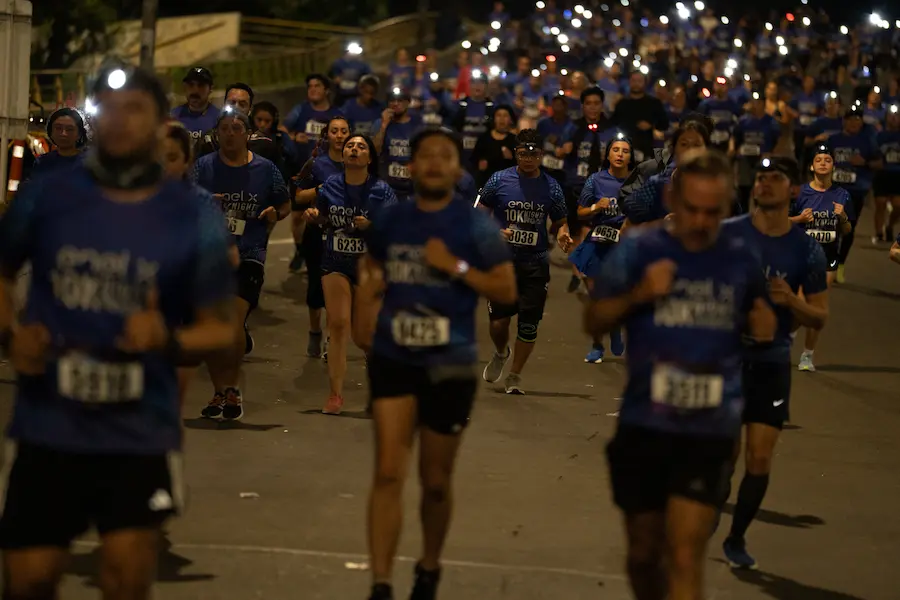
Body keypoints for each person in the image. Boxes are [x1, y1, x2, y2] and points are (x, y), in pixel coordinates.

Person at [0, 66, 235, 600]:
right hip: (48, 421)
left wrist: (167, 340)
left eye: (137, 110)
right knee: (28, 580)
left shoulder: (190, 216)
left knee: (124, 581)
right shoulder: (50, 195)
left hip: (137, 427)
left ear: (158, 126)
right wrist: (11, 335)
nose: (122, 121)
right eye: (111, 108)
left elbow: (221, 330)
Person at [585, 149, 776, 600]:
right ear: (673, 197)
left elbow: (760, 314)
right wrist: (639, 294)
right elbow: (594, 321)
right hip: (645, 424)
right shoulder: (640, 248)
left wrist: (763, 322)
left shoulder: (739, 257)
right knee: (644, 555)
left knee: (686, 554)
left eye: (714, 212)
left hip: (707, 428)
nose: (702, 221)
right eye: (692, 209)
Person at [355, 128, 516, 600]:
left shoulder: (474, 227)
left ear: (456, 170)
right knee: (388, 471)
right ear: (411, 165)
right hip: (394, 356)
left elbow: (506, 291)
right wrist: (367, 306)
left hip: (450, 364)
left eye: (443, 157)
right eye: (425, 155)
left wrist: (456, 267)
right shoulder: (391, 220)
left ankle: (428, 568)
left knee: (435, 481)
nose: (432, 164)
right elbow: (371, 267)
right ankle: (381, 583)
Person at [719, 156, 829, 569]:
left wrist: (792, 301)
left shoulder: (807, 249)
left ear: (794, 191)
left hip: (772, 361)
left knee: (759, 459)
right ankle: (713, 507)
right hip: (727, 359)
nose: (764, 183)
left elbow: (820, 316)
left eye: (776, 178)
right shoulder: (727, 235)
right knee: (724, 457)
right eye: (760, 177)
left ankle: (737, 537)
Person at [191, 108, 291, 420]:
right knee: (213, 328)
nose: (231, 133)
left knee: (233, 321)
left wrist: (276, 213)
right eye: (225, 128)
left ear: (247, 134)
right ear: (216, 134)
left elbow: (284, 203)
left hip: (249, 253)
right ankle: (221, 390)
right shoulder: (203, 167)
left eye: (237, 128)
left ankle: (231, 387)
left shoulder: (266, 169)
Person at [304, 134, 397, 415]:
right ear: (343, 155)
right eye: (350, 146)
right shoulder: (330, 186)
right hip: (336, 262)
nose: (354, 149)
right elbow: (322, 216)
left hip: (370, 266)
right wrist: (314, 216)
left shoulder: (382, 191)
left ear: (369, 158)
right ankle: (335, 395)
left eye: (361, 147)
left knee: (365, 337)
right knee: (339, 324)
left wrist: (371, 225)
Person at [477, 129, 569, 394]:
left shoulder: (552, 187)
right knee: (498, 323)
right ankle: (500, 352)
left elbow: (561, 221)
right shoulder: (498, 181)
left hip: (535, 264)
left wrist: (562, 235)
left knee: (528, 324)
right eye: (522, 153)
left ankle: (515, 375)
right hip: (502, 263)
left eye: (533, 154)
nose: (528, 159)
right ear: (515, 154)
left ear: (541, 155)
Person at [567, 133, 634, 363]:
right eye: (616, 150)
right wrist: (596, 206)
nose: (620, 154)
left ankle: (614, 329)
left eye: (625, 151)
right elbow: (579, 211)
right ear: (608, 154)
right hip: (597, 242)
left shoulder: (636, 183)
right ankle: (597, 345)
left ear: (630, 157)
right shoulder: (595, 180)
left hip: (622, 247)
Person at [789, 144, 852, 372]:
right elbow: (781, 223)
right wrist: (799, 219)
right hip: (802, 256)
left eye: (827, 159)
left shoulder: (842, 195)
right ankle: (789, 335)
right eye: (819, 160)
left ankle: (807, 356)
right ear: (811, 166)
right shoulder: (801, 193)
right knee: (801, 304)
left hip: (827, 258)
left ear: (833, 165)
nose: (823, 163)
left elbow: (846, 231)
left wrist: (843, 216)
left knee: (816, 307)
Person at [292, 116, 351, 357]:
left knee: (339, 288)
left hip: (345, 234)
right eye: (334, 131)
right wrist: (320, 189)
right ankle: (315, 330)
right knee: (317, 287)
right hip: (317, 232)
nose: (339, 135)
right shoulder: (315, 164)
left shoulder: (358, 163)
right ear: (327, 135)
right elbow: (297, 196)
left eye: (344, 131)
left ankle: (331, 338)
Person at [828, 103, 882, 282]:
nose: (854, 123)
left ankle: (841, 265)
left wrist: (864, 163)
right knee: (832, 227)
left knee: (848, 230)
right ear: (844, 121)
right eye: (850, 120)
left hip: (856, 191)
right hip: (834, 190)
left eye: (857, 120)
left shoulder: (868, 141)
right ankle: (831, 264)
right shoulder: (833, 140)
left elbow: (879, 163)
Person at [373, 88, 424, 202]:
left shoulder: (418, 124)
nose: (395, 104)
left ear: (408, 102)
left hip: (412, 188)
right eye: (392, 100)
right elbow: (374, 152)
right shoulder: (380, 123)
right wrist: (384, 125)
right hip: (387, 186)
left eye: (400, 100)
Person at [29, 108, 87, 179]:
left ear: (79, 134)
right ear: (51, 132)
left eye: (69, 129)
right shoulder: (43, 162)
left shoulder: (88, 165)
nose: (63, 134)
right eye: (58, 128)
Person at [470, 104, 518, 187]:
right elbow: (473, 160)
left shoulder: (514, 140)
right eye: (499, 115)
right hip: (485, 183)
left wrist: (511, 159)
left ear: (510, 120)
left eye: (505, 116)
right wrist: (479, 165)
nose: (502, 119)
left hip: (507, 184)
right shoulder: (484, 139)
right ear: (494, 119)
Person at [873, 104, 900, 243]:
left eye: (897, 116)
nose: (894, 118)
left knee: (897, 205)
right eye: (891, 115)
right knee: (880, 203)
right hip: (882, 174)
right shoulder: (880, 136)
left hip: (898, 175)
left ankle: (889, 226)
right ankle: (878, 233)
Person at [170, 66, 220, 139]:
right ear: (185, 87)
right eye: (191, 85)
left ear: (210, 89)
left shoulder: (219, 120)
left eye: (201, 85)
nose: (195, 90)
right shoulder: (173, 117)